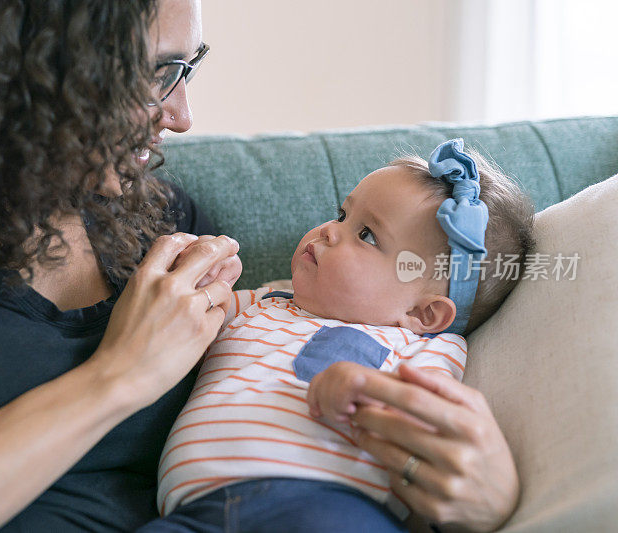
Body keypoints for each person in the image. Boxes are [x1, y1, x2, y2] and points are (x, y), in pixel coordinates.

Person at [0, 0, 519, 531]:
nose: (181, 113)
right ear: (34, 70)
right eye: (158, 74)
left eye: (186, 71)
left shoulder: (169, 228)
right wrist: (118, 376)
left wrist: (484, 493)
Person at [141, 140, 535, 532]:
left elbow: (429, 426)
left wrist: (367, 393)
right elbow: (188, 312)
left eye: (366, 235)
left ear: (423, 313)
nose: (329, 231)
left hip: (328, 508)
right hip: (190, 513)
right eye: (342, 214)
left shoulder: (428, 347)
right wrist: (202, 275)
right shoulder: (262, 300)